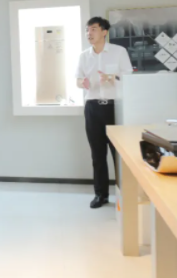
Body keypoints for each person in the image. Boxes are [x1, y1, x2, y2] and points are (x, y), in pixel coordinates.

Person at [76, 17, 133, 209]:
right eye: (87, 30)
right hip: (92, 107)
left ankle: (125, 195)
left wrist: (112, 77)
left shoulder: (119, 51)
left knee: (119, 153)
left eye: (93, 29)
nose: (89, 33)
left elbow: (128, 76)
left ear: (104, 32)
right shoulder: (84, 56)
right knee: (97, 154)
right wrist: (81, 82)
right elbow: (78, 79)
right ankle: (101, 195)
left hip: (114, 107)